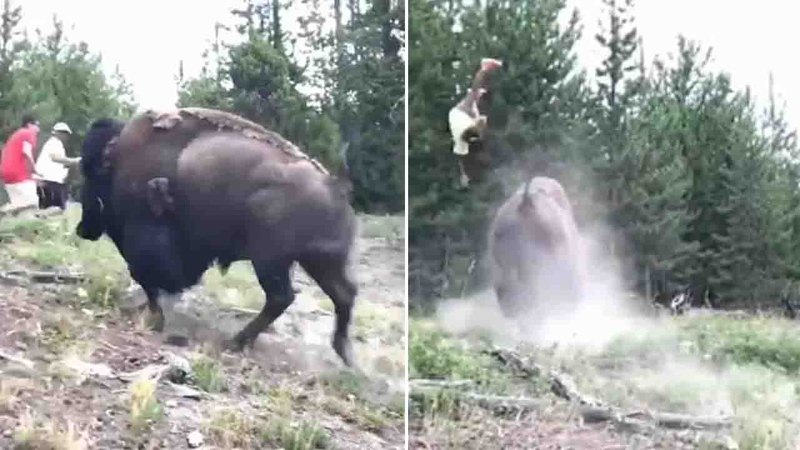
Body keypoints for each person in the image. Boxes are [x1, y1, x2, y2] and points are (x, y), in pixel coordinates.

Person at [34, 122, 81, 211]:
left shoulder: (55, 144)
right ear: (60, 133)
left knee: (51, 209)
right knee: (54, 210)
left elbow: (60, 163)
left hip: (51, 181)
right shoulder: (54, 142)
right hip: (50, 181)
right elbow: (55, 158)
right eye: (65, 134)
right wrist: (74, 160)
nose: (66, 137)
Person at [1, 113, 41, 215]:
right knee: (33, 202)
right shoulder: (28, 133)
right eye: (36, 125)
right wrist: (34, 171)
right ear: (29, 125)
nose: (38, 129)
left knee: (19, 209)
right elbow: (27, 152)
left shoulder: (17, 135)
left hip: (6, 174)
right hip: (18, 173)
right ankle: (4, 210)